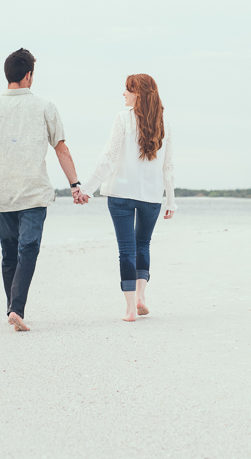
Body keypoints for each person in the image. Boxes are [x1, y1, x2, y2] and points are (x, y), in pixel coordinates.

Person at [0, 48, 89, 332]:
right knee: (27, 249)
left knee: (10, 254)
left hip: (2, 193)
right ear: (28, 76)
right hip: (34, 193)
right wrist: (75, 185)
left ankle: (14, 309)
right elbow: (62, 149)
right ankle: (16, 308)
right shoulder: (45, 107)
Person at [82, 73, 176, 322]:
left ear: (140, 93)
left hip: (121, 193)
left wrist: (87, 188)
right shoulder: (163, 123)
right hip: (152, 196)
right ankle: (141, 297)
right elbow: (168, 166)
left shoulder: (123, 118)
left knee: (126, 248)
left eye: (128, 89)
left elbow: (108, 156)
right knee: (143, 244)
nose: (123, 93)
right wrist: (170, 200)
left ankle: (130, 309)